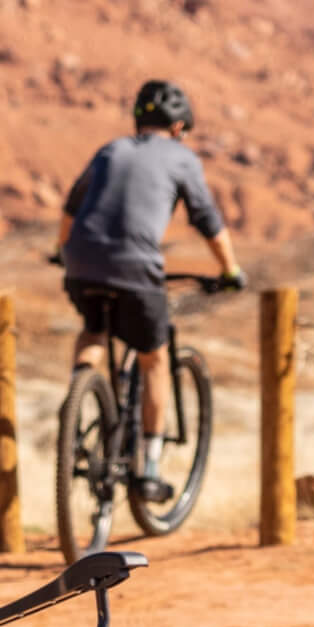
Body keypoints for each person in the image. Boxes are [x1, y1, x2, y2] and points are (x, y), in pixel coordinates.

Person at [57, 79, 245, 501]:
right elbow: (207, 220)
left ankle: (76, 402)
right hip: (137, 268)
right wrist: (230, 269)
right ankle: (150, 468)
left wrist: (61, 252)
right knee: (154, 358)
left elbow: (71, 208)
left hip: (81, 262)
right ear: (178, 128)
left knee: (94, 330)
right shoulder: (181, 158)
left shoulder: (110, 150)